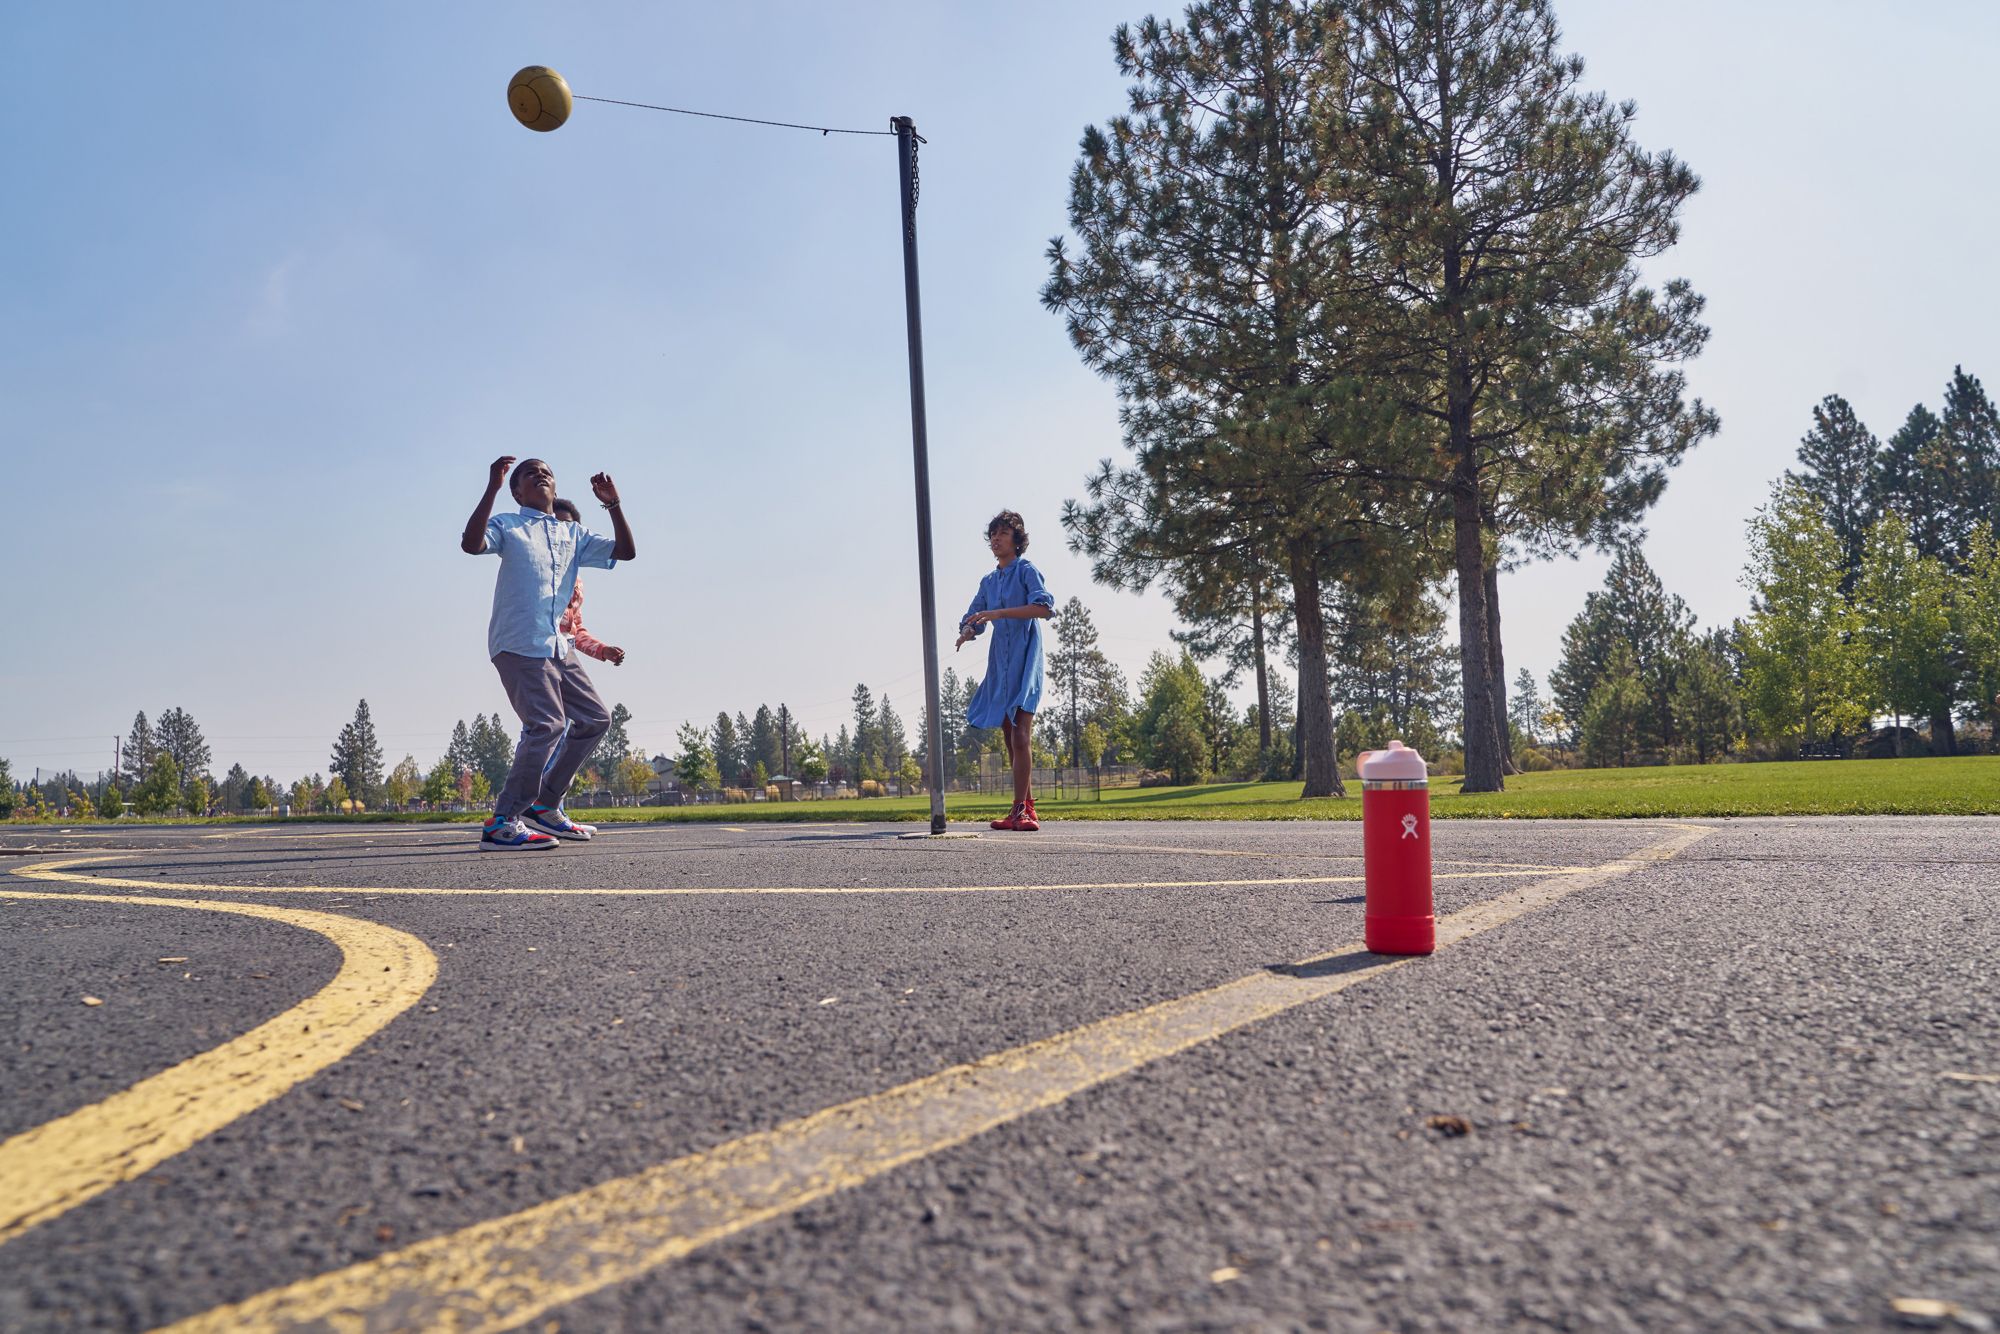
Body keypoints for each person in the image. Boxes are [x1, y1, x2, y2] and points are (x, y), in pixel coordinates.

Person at [460, 456, 636, 849]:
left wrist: (613, 504)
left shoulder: (572, 534)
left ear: (555, 489)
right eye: (529, 473)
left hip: (559, 646)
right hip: (520, 643)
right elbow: (471, 545)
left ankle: (545, 804)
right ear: (517, 491)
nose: (540, 475)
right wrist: (491, 487)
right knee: (547, 725)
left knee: (595, 719)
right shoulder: (508, 524)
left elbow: (625, 553)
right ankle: (502, 819)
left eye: (547, 473)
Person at [956, 509, 1055, 830]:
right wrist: (968, 631)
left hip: (1026, 657)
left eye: (1003, 533)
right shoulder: (988, 581)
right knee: (1010, 735)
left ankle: (1021, 811)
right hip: (1001, 662)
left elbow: (1043, 608)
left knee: (1022, 734)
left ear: (1017, 538)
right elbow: (974, 616)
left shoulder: (1026, 570)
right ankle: (1025, 808)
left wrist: (998, 614)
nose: (996, 539)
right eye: (993, 534)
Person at [543, 497, 628, 834]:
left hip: (564, 653)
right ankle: (524, 810)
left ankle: (549, 808)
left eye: (568, 526)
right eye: (555, 524)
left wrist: (603, 650)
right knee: (545, 731)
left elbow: (575, 631)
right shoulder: (537, 571)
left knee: (577, 727)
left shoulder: (576, 582)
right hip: (535, 652)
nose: (561, 531)